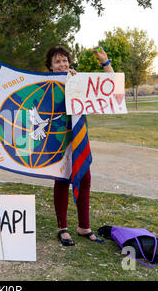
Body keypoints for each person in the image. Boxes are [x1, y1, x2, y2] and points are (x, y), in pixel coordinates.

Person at [45, 45, 114, 246]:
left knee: (84, 179)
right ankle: (62, 228)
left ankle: (84, 227)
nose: (62, 64)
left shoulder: (77, 79)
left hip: (79, 137)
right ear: (50, 66)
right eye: (57, 62)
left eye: (65, 60)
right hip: (58, 139)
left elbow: (110, 85)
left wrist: (105, 61)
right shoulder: (46, 84)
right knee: (62, 180)